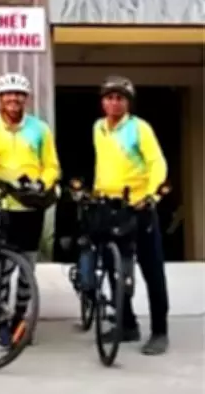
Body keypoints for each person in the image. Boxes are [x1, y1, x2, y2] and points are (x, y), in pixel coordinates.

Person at [0, 72, 60, 350]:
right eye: (8, 94)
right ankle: (1, 322)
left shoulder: (40, 128)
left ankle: (20, 317)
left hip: (31, 205)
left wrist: (42, 183)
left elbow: (52, 165)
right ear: (0, 98)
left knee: (28, 267)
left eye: (18, 94)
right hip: (3, 204)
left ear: (26, 98)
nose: (13, 99)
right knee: (3, 268)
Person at [93, 75, 169, 355]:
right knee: (113, 268)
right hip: (110, 207)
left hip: (139, 207)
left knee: (152, 270)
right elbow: (103, 165)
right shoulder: (98, 128)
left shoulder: (140, 128)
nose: (114, 102)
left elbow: (157, 163)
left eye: (120, 98)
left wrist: (151, 196)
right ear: (103, 102)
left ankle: (159, 331)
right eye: (109, 98)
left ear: (128, 103)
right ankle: (127, 325)